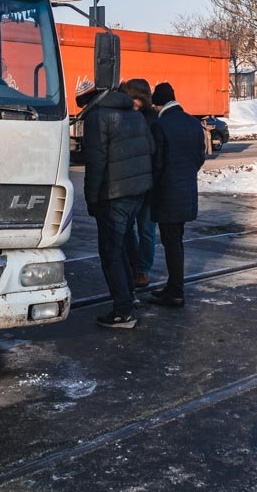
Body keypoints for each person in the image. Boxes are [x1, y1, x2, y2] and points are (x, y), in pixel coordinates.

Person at [82, 83, 155, 328]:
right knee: (121, 247)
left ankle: (123, 311)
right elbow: (150, 150)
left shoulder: (97, 117)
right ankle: (129, 297)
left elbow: (95, 163)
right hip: (138, 192)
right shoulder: (135, 116)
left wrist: (91, 198)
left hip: (113, 196)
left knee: (110, 253)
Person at [147, 82, 206, 307]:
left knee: (171, 243)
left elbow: (157, 164)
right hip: (187, 191)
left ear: (158, 103)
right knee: (177, 241)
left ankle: (175, 291)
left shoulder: (160, 125)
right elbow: (199, 158)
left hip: (167, 193)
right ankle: (174, 287)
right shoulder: (193, 123)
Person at [120, 79, 158, 287]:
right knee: (135, 229)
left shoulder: (149, 120)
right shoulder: (136, 117)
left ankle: (142, 269)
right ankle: (137, 266)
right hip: (137, 183)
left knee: (145, 228)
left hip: (147, 185)